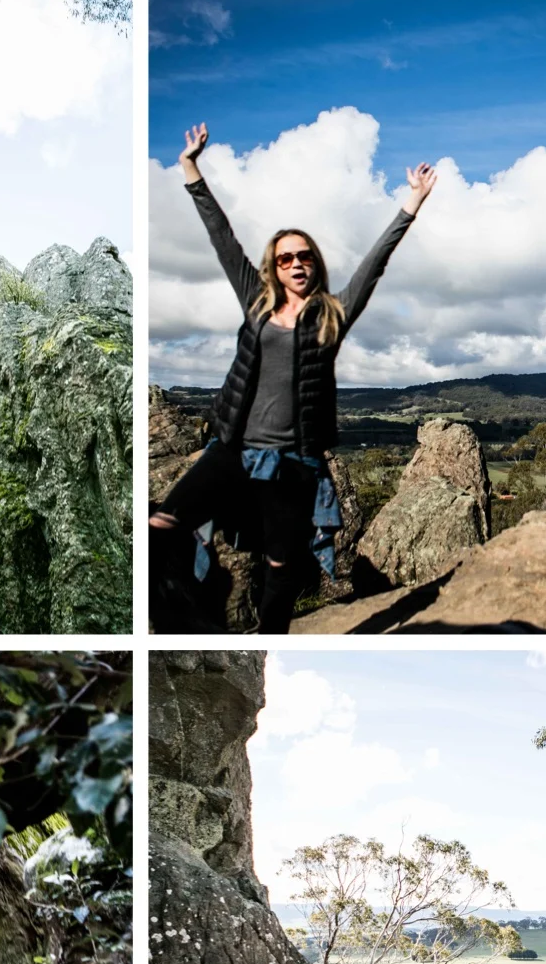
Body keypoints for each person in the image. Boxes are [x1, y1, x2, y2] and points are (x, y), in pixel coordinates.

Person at [149, 122, 438, 633]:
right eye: (286, 258)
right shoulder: (256, 303)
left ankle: (270, 639)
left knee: (281, 567)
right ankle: (175, 621)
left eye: (304, 256)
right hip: (233, 448)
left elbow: (375, 263)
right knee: (162, 525)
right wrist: (191, 169)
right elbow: (222, 239)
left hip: (295, 462)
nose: (297, 263)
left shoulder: (333, 314)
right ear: (274, 268)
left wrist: (411, 203)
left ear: (315, 264)